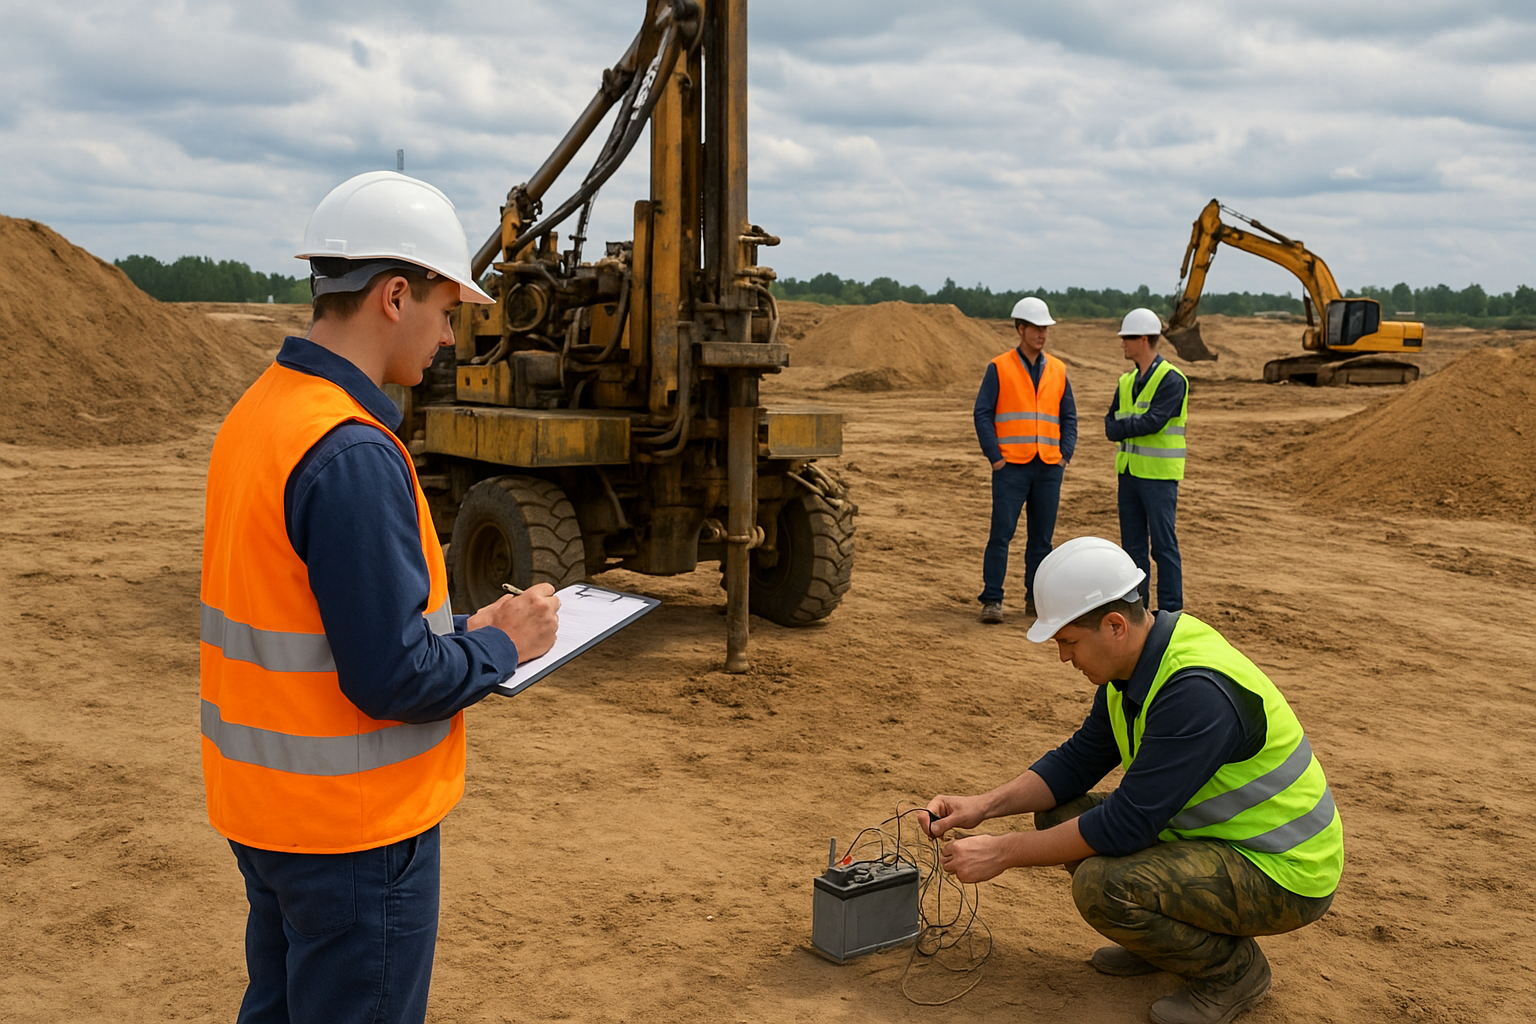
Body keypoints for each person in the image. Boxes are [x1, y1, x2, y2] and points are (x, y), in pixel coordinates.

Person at [199, 171, 561, 1024]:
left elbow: (314, 617)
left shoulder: (263, 413)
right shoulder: (351, 452)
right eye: (445, 312)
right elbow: (392, 678)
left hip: (269, 814)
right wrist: (505, 642)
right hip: (354, 832)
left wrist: (457, 630)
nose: (447, 338)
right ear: (395, 296)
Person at [922, 537, 1342, 1024]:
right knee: (1061, 814)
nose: (1063, 658)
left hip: (1284, 871)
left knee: (1105, 885)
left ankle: (1233, 973)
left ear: (1115, 626)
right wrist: (982, 805)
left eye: (1068, 642)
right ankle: (1164, 943)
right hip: (1217, 840)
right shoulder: (1137, 664)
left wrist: (1000, 851)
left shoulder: (1196, 691)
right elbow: (1078, 761)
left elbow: (1125, 827)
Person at [974, 295, 1078, 624]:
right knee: (1001, 535)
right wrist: (995, 458)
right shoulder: (999, 367)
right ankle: (992, 599)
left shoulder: (1059, 370)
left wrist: (1064, 456)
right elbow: (983, 413)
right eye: (1036, 328)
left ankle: (1035, 601)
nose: (1042, 334)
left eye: (1045, 329)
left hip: (1048, 467)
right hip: (1011, 468)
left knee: (1041, 540)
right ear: (1020, 329)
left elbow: (1069, 417)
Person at [1105, 307, 1188, 611]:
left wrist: (1124, 428)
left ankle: (1170, 611)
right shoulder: (1126, 381)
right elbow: (1109, 425)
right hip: (1129, 475)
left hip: (1159, 477)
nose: (1122, 343)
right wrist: (1128, 428)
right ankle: (1137, 608)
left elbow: (1153, 422)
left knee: (1163, 547)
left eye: (1126, 338)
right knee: (1133, 550)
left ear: (1142, 339)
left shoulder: (1172, 379)